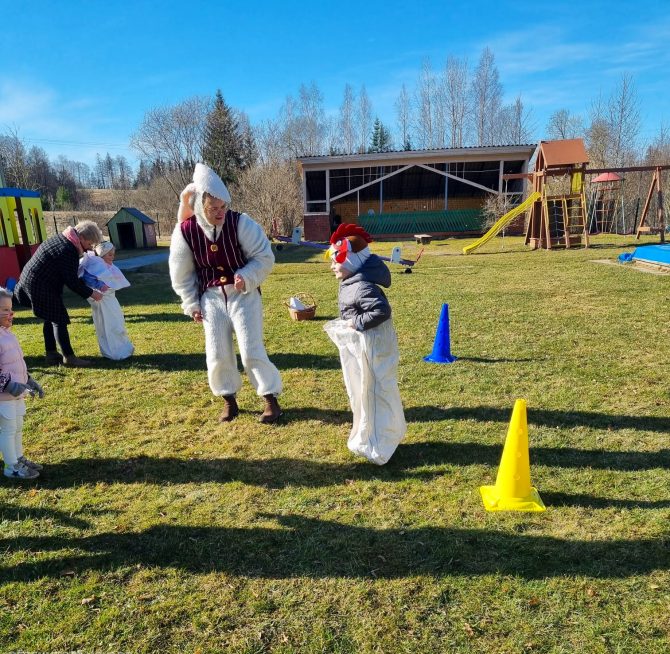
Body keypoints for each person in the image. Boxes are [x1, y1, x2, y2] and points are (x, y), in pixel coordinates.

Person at [169, 163, 283, 424]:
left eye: (223, 207)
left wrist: (248, 275)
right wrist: (191, 303)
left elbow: (264, 257)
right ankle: (229, 400)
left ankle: (270, 399)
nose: (220, 213)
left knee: (251, 347)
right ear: (200, 206)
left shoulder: (241, 223)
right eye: (213, 208)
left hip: (243, 294)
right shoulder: (185, 231)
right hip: (210, 297)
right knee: (217, 351)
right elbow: (181, 272)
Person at [323, 223, 406, 465]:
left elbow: (381, 310)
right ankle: (370, 435)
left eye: (336, 261)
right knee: (361, 388)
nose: (332, 266)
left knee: (372, 390)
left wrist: (355, 323)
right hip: (363, 347)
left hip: (371, 348)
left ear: (351, 262)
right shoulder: (352, 281)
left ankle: (379, 442)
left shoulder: (361, 286)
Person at [14, 220, 104, 367]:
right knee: (59, 319)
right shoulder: (68, 249)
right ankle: (69, 357)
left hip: (33, 281)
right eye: (89, 244)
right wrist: (92, 293)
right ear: (81, 237)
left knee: (50, 316)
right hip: (39, 285)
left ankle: (51, 354)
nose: (89, 248)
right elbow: (72, 281)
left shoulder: (64, 238)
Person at [0, 287, 45, 479]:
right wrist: (10, 385)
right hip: (4, 397)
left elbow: (16, 363)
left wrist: (28, 380)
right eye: (5, 310)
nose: (11, 313)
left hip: (17, 394)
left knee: (17, 427)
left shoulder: (7, 334)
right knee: (8, 429)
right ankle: (11, 466)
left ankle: (18, 457)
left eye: (11, 309)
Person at [79, 241, 134, 360]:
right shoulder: (95, 265)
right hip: (101, 299)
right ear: (102, 255)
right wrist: (99, 285)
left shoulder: (107, 265)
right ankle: (113, 351)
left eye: (113, 254)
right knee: (107, 323)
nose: (112, 257)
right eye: (109, 254)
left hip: (110, 298)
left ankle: (122, 347)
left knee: (117, 321)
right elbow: (88, 278)